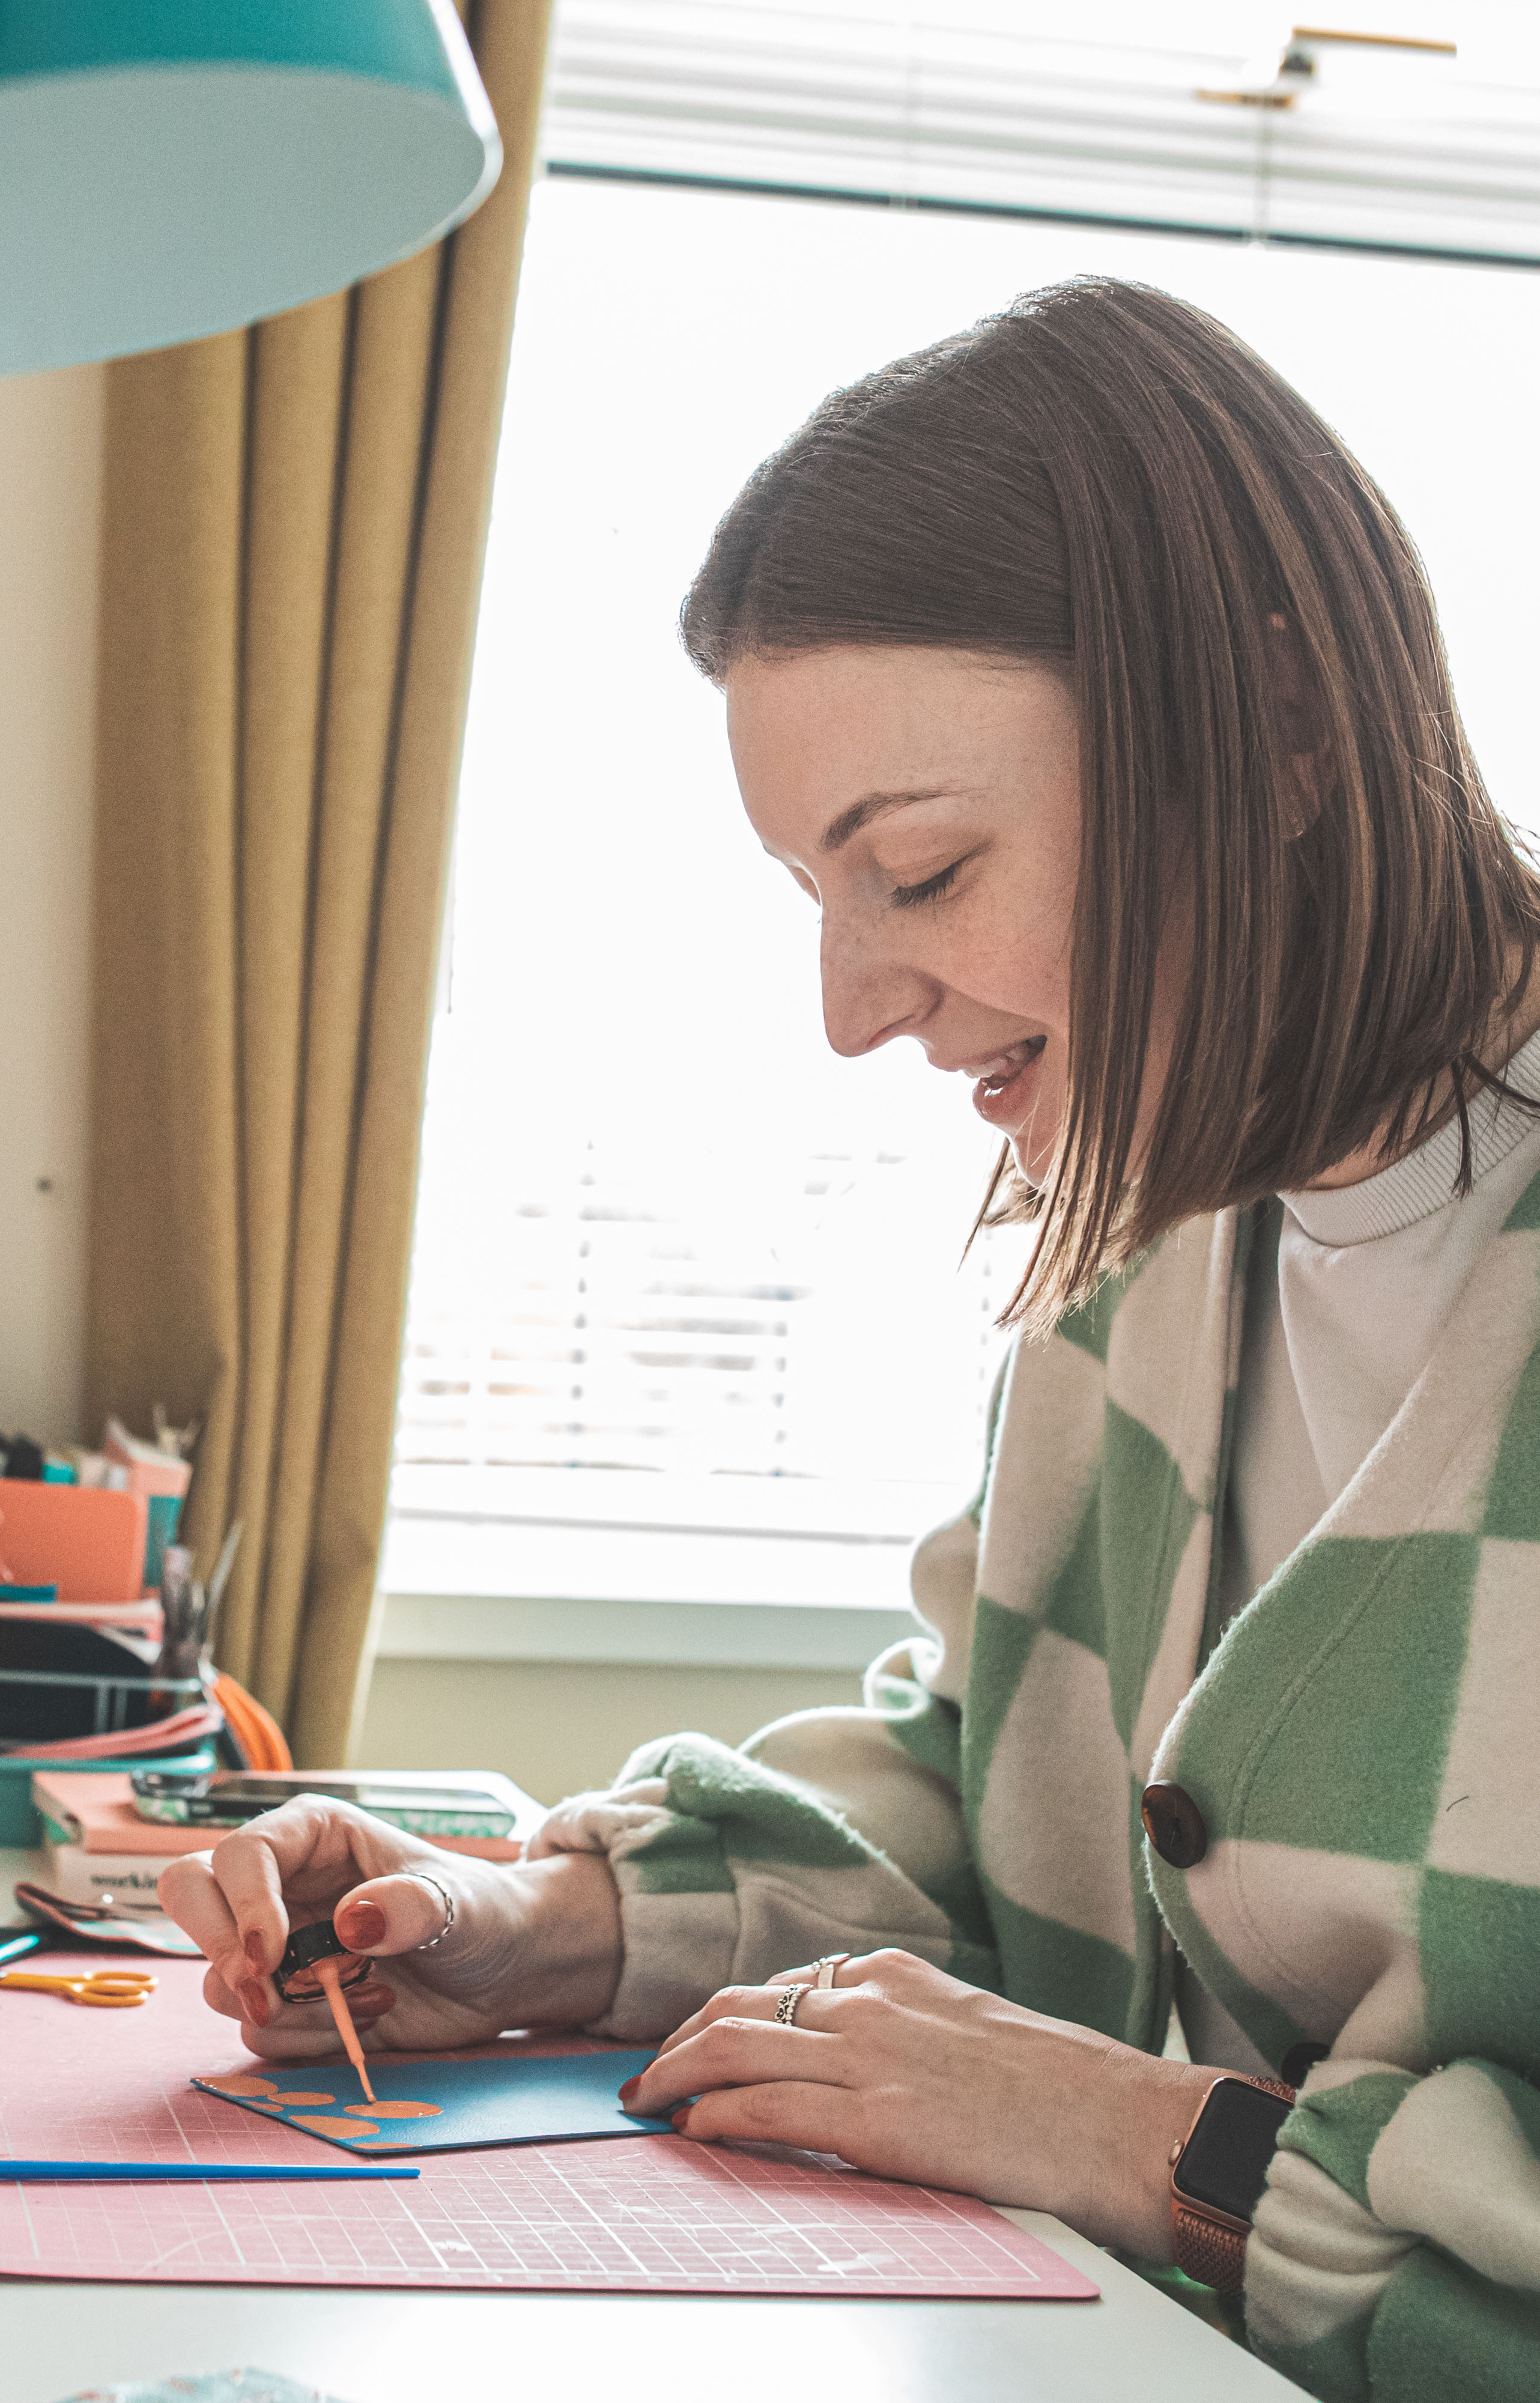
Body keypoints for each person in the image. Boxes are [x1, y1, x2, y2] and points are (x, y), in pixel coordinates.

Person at [160, 278, 1540, 2399]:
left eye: (925, 866)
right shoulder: (1154, 1231)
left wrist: (1142, 2137)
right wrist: (550, 1926)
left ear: (1277, 736)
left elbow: (1098, 2085)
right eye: (820, 891)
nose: (852, 1006)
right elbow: (1005, 1795)